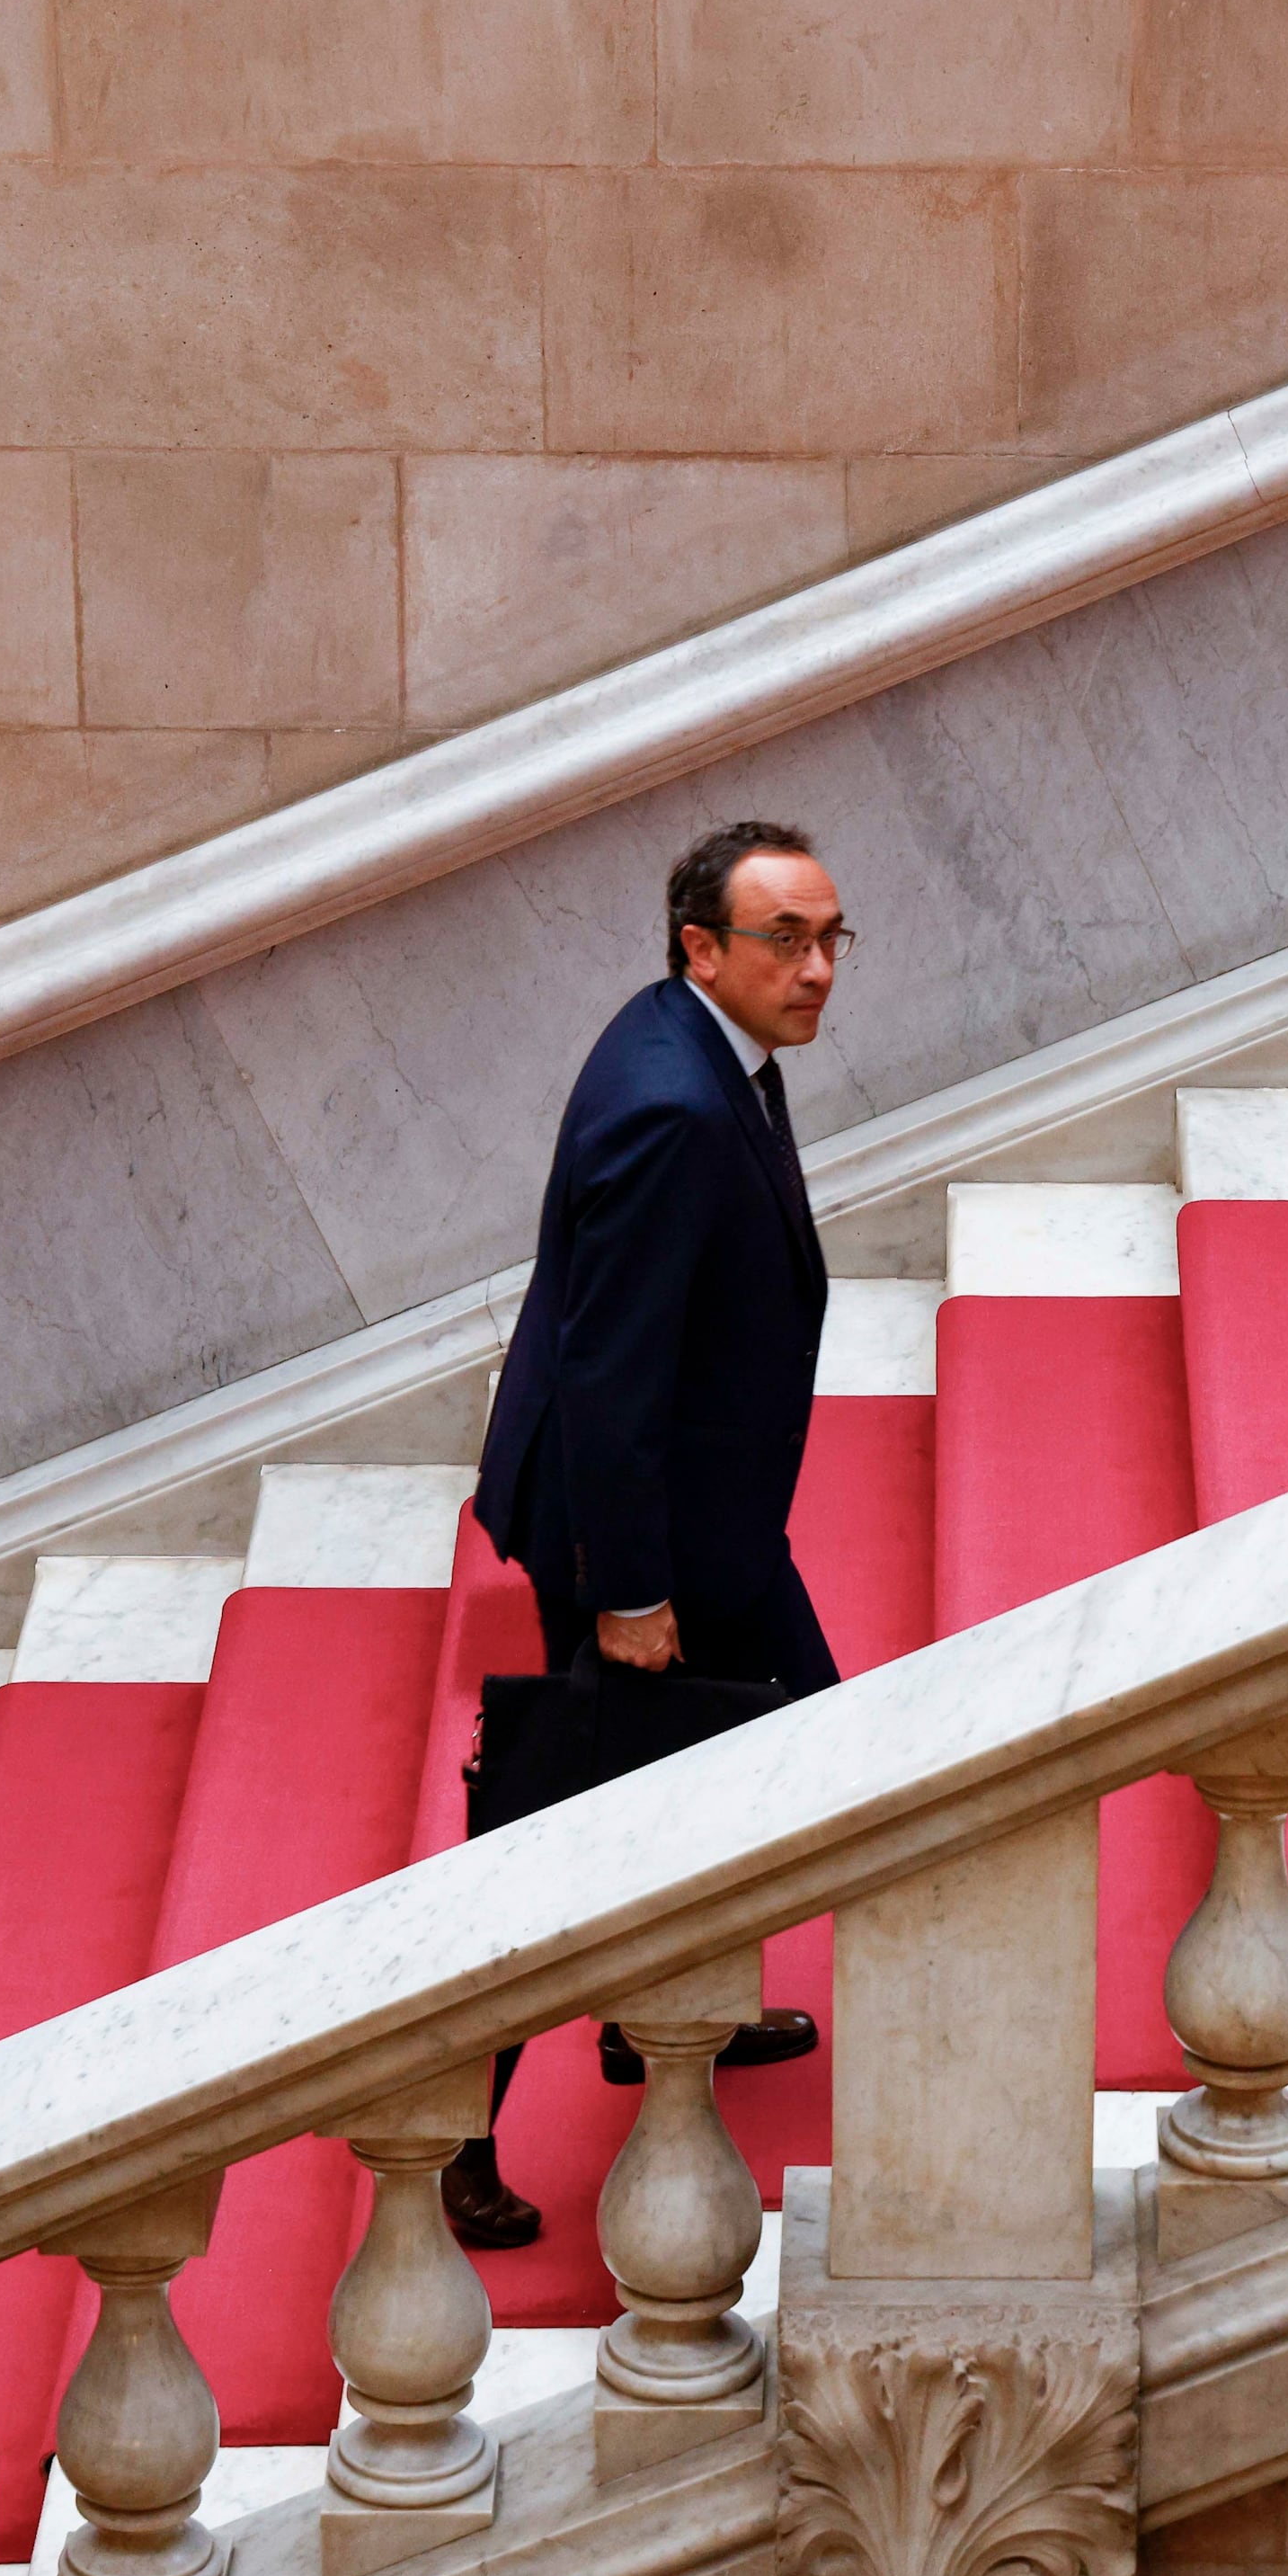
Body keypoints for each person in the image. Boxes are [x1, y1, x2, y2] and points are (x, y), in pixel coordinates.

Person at [448, 822, 851, 2249]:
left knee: (750, 1759)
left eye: (828, 938)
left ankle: (661, 2011)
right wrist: (629, 1594)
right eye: (784, 941)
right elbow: (613, 1372)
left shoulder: (705, 1048)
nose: (816, 971)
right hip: (639, 1537)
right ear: (700, 948)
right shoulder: (673, 1106)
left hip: (699, 1517)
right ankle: (452, 2135)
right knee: (563, 1819)